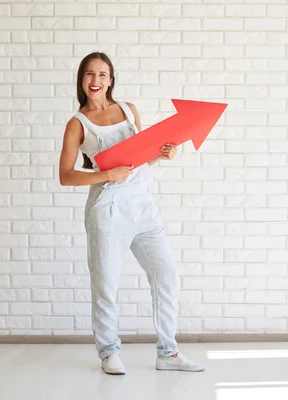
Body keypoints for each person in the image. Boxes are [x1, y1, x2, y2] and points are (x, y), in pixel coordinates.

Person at [58, 52, 205, 375]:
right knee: (106, 285)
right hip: (108, 209)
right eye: (89, 74)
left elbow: (141, 156)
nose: (95, 81)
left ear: (111, 80)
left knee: (166, 275)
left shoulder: (128, 110)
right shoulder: (77, 123)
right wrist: (106, 175)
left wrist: (163, 153)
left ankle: (168, 353)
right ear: (82, 80)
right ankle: (109, 352)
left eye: (102, 74)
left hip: (143, 207)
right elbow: (66, 175)